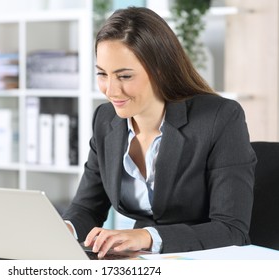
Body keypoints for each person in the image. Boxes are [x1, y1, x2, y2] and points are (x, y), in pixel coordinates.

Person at [62, 7, 256, 258]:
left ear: (160, 70)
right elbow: (87, 207)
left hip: (207, 258)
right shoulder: (105, 119)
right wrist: (63, 229)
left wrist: (145, 236)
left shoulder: (220, 117)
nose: (111, 90)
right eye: (102, 74)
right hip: (145, 260)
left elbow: (232, 229)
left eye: (124, 76)